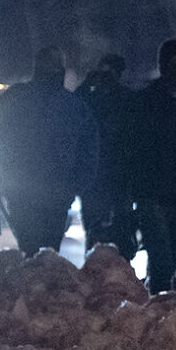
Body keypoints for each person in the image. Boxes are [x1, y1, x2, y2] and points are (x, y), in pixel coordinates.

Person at [0, 47, 97, 258]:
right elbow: (89, 151)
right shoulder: (73, 106)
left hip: (31, 192)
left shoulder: (16, 98)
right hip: (49, 193)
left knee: (33, 253)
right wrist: (75, 185)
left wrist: (4, 170)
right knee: (46, 255)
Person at [128, 39, 176, 291]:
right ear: (164, 67)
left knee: (172, 252)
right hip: (153, 190)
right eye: (175, 64)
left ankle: (161, 299)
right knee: (160, 254)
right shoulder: (146, 102)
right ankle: (160, 301)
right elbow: (134, 146)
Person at [75, 55, 133, 256]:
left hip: (119, 175)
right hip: (94, 176)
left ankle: (121, 272)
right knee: (94, 231)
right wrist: (87, 85)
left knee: (122, 231)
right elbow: (74, 107)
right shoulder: (89, 98)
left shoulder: (126, 99)